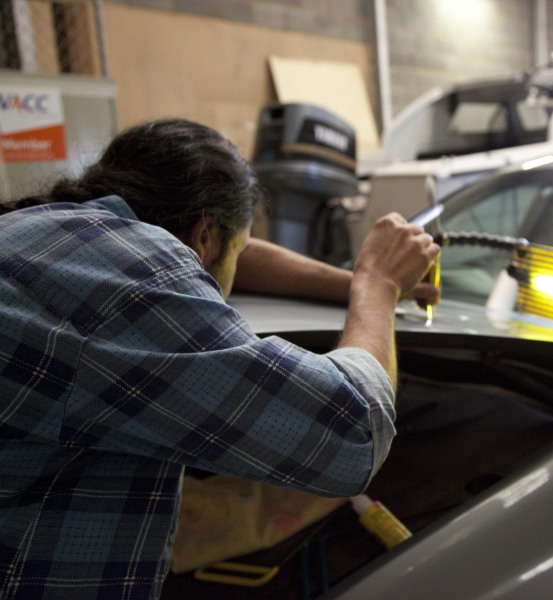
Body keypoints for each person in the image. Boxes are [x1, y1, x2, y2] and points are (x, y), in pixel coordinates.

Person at [0, 118, 440, 599]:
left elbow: (232, 256)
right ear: (204, 233)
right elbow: (352, 432)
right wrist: (379, 286)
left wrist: (354, 280)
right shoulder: (138, 275)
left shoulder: (52, 234)